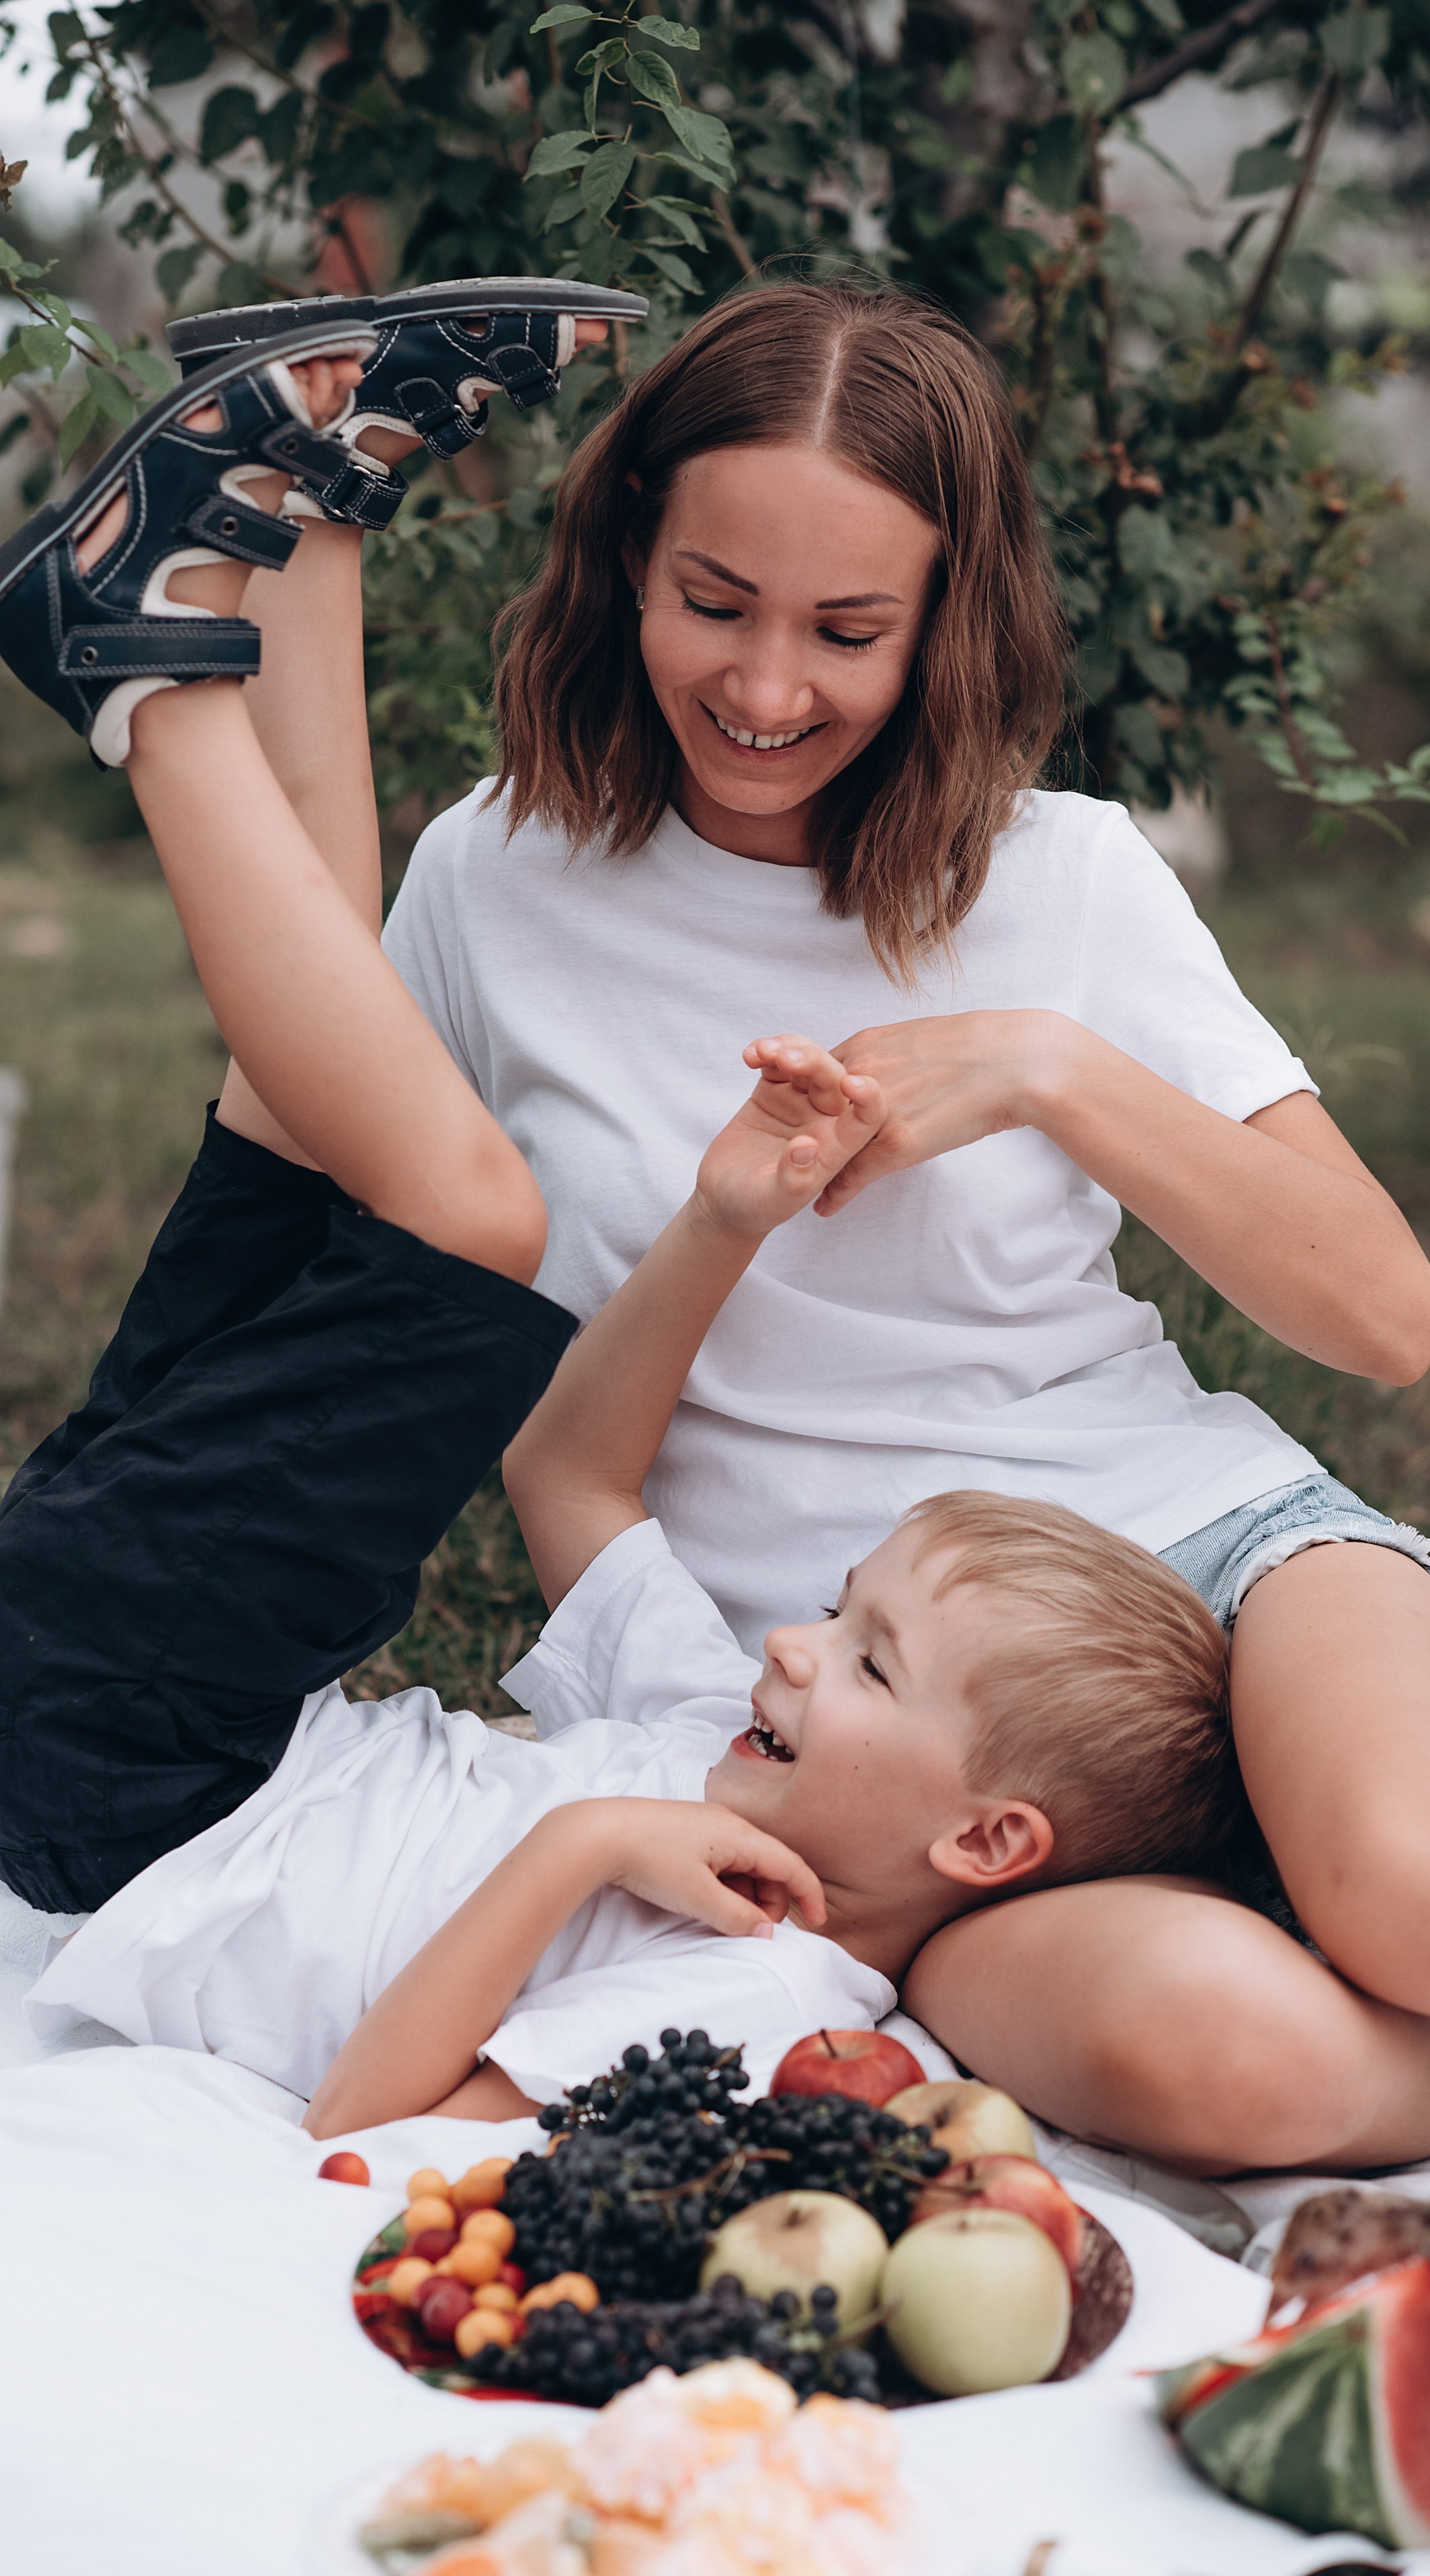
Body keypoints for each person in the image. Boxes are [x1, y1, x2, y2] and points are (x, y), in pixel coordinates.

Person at [347, 275, 1430, 2172]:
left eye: (847, 630)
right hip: (885, 1759)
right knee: (1223, 2057)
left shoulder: (1065, 875)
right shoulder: (487, 883)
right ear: (622, 559)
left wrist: (1045, 1071)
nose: (763, 691)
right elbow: (364, 1293)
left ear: (943, 622)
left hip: (1207, 1561)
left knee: (1418, 1893)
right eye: (713, 603)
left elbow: (1385, 1315)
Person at [0, 333, 1246, 2137]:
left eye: (869, 1657)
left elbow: (382, 2120)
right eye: (844, 1616)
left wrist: (588, 1841)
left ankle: (132, 671)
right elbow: (578, 1480)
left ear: (982, 1836)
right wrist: (724, 1215)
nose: (798, 1640)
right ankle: (312, 497)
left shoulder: (774, 1974)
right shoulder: (727, 1715)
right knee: (320, 1023)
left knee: (474, 1216)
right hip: (200, 1694)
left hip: (133, 1784)